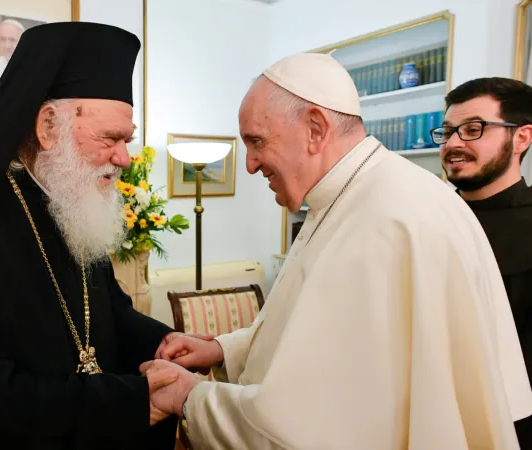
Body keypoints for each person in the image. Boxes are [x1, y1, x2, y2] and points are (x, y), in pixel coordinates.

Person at [140, 53, 532, 449]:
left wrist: (190, 396)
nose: (251, 165)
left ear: (315, 129)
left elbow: (308, 424)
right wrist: (221, 349)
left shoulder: (387, 219)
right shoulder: (345, 197)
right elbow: (305, 338)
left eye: (257, 141)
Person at [0, 22, 181, 450]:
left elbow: (109, 312)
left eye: (127, 140)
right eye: (110, 138)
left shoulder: (72, 204)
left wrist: (164, 342)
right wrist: (126, 402)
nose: (124, 158)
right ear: (47, 127)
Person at [437, 77, 532, 448]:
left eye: (473, 129)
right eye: (447, 132)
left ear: (522, 138)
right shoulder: (426, 218)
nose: (453, 143)